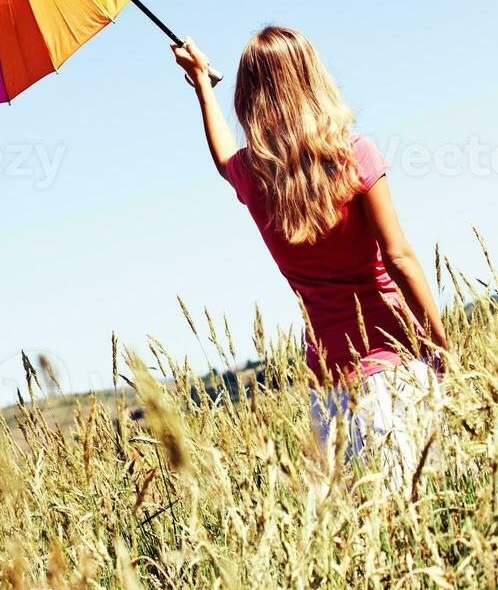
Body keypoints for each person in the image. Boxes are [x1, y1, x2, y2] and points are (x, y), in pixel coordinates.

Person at [171, 26, 447, 486]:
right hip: (396, 365)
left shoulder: (252, 177)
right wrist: (439, 345)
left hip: (330, 388)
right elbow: (399, 259)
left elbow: (223, 158)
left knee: (363, 539)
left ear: (250, 97)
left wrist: (201, 84)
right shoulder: (355, 156)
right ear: (311, 79)